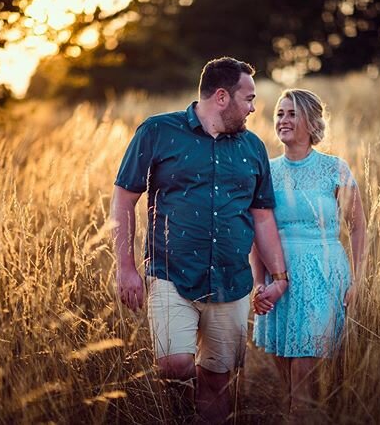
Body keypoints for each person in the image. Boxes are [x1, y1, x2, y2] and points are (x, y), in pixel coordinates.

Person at [111, 57, 288, 424]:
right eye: (249, 98)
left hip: (231, 281)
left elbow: (263, 216)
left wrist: (278, 277)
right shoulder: (157, 131)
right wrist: (125, 268)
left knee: (218, 380)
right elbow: (124, 197)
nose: (254, 108)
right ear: (221, 97)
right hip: (171, 274)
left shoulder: (252, 148)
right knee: (174, 366)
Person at [251, 89, 367, 421]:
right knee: (289, 392)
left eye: (291, 114)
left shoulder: (334, 168)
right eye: (279, 113)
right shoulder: (266, 171)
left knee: (303, 387)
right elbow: (258, 233)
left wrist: (357, 281)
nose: (283, 120)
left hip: (323, 279)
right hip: (279, 283)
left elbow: (358, 228)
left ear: (311, 122)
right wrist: (258, 284)